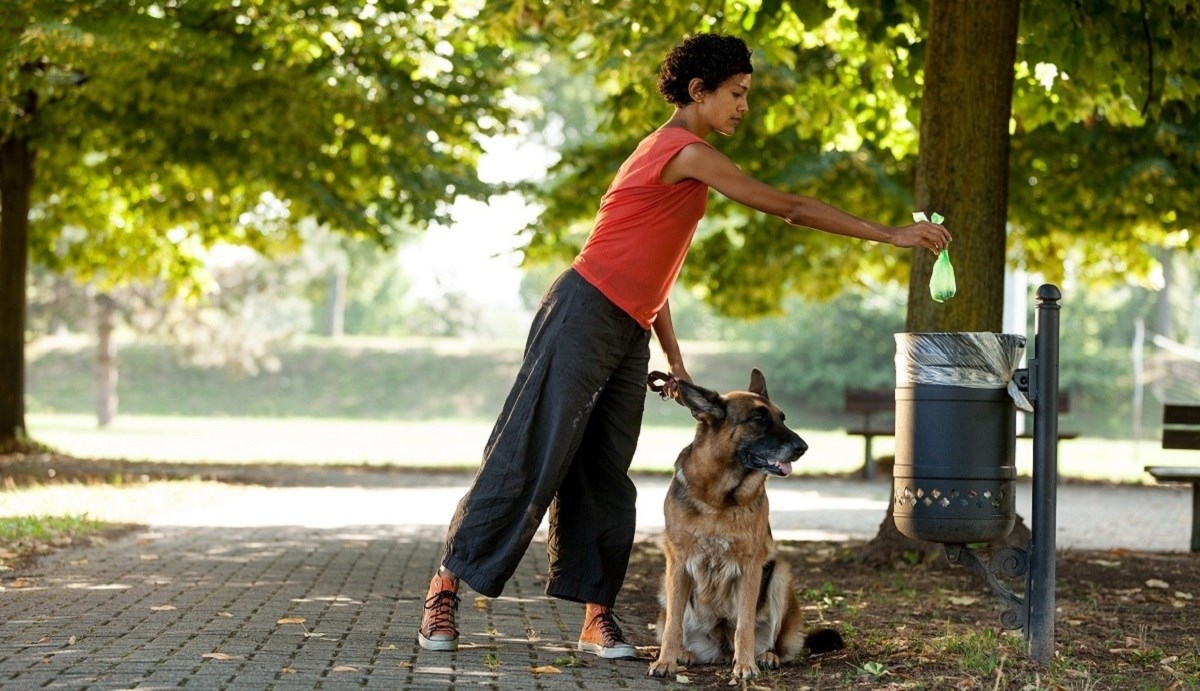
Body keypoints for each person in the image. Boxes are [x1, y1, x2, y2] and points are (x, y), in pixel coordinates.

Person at [417, 33, 951, 659]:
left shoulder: (687, 168)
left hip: (627, 326)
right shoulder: (681, 151)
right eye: (736, 94)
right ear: (698, 92)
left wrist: (672, 358)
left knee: (608, 472)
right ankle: (445, 588)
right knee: (530, 451)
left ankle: (596, 615)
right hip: (582, 311)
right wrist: (892, 235)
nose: (743, 107)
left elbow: (656, 274)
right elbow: (791, 206)